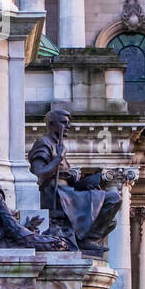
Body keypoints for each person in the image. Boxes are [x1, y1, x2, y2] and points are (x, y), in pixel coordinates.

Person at [27, 107, 121, 256]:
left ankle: (86, 238)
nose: (68, 126)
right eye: (64, 123)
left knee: (111, 212)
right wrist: (58, 158)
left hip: (67, 193)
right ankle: (87, 238)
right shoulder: (43, 143)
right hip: (55, 195)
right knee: (112, 199)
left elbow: (66, 178)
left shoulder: (58, 145)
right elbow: (38, 175)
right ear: (51, 124)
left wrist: (85, 183)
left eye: (68, 123)